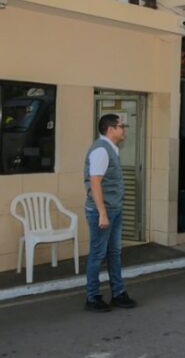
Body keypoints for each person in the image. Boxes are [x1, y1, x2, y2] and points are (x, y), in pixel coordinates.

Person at [83, 114, 136, 312]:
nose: (124, 130)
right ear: (110, 129)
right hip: (102, 212)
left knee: (114, 252)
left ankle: (118, 293)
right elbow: (95, 182)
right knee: (97, 254)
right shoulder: (101, 150)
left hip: (114, 209)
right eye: (121, 126)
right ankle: (93, 297)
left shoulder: (110, 148)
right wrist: (102, 213)